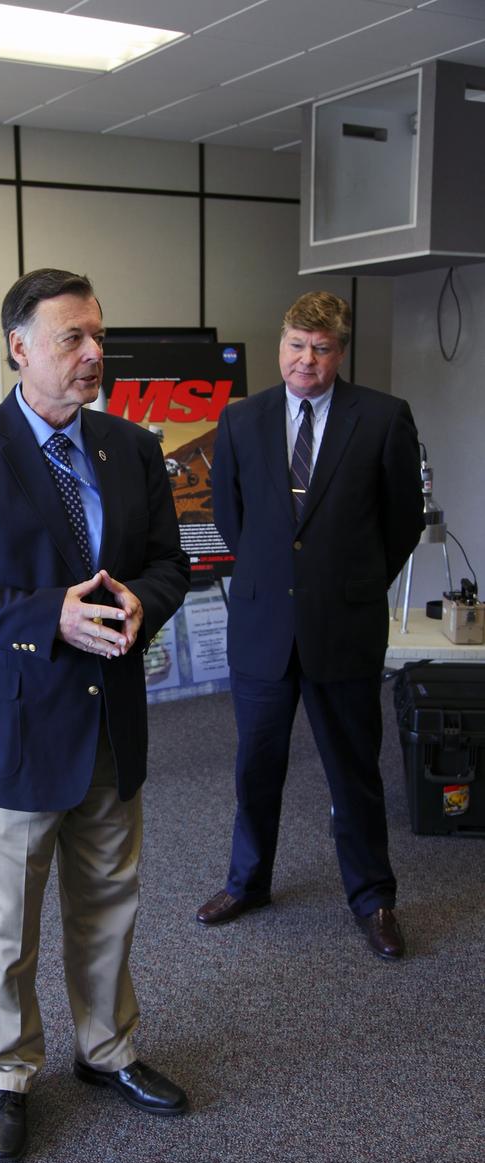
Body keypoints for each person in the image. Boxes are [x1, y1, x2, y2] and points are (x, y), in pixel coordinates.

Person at [0, 267, 191, 1163]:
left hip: (111, 721)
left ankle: (107, 1052)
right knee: (9, 926)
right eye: (71, 338)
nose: (93, 353)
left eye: (97, 334)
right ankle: (5, 1074)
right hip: (17, 727)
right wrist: (47, 616)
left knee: (108, 903)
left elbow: (167, 564)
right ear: (19, 349)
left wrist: (144, 604)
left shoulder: (131, 448)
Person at [196, 291, 424, 959]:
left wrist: (352, 580)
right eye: (296, 344)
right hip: (264, 625)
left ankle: (373, 897)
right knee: (254, 767)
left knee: (353, 770)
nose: (306, 359)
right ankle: (248, 881)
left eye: (320, 349)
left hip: (344, 626)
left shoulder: (382, 418)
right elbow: (230, 515)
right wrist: (271, 575)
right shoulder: (241, 420)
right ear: (280, 344)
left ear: (339, 352)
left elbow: (402, 519)